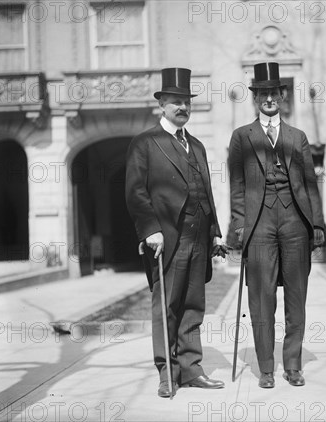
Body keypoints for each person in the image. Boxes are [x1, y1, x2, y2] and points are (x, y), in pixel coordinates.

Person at [125, 67, 227, 398]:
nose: (182, 107)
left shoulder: (196, 145)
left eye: (186, 102)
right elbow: (136, 192)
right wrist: (150, 230)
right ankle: (166, 373)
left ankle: (192, 368)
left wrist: (215, 230)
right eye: (175, 102)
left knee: (194, 305)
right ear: (162, 105)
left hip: (199, 236)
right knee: (166, 305)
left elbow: (205, 190)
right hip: (167, 238)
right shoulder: (145, 142)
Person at [228, 62, 325, 388]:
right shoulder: (242, 136)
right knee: (261, 297)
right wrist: (239, 224)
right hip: (259, 224)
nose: (269, 98)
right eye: (262, 93)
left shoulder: (298, 137)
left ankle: (293, 365)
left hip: (296, 222)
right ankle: (266, 368)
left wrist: (318, 223)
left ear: (282, 96)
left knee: (297, 296)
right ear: (255, 98)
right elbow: (237, 184)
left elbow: (311, 183)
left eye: (274, 92)